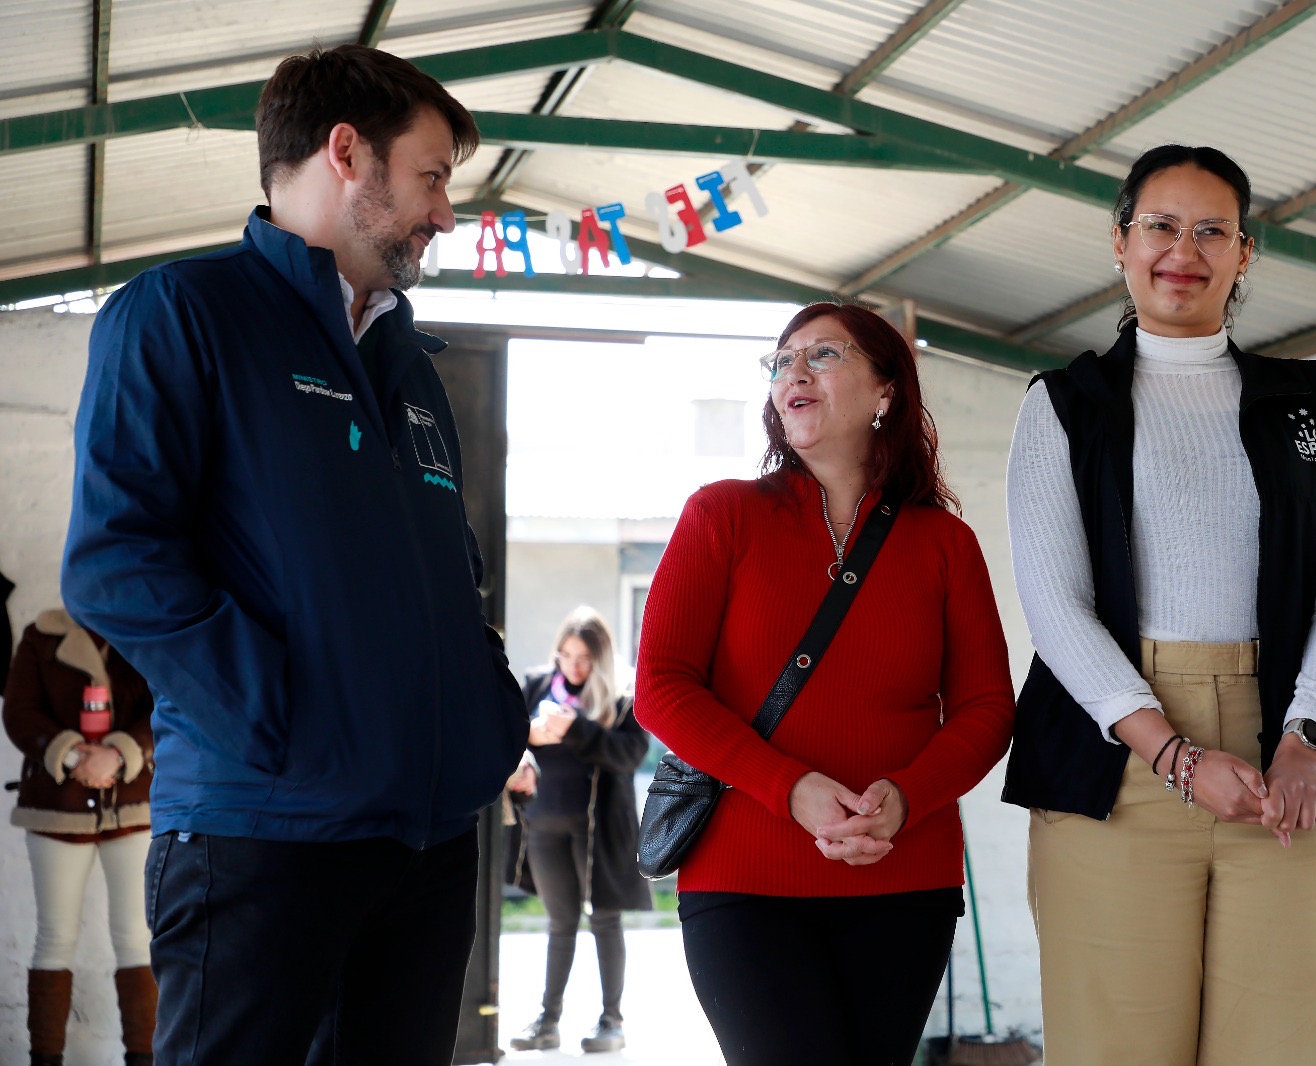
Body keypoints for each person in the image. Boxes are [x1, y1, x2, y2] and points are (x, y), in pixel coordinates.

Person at [60, 44, 528, 1065]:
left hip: (430, 837)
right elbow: (115, 562)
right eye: (434, 176)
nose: (446, 213)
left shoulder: (409, 358)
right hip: (264, 831)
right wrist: (280, 721)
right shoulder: (183, 314)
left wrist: (484, 718)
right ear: (347, 153)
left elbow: (455, 578)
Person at [1002, 143, 1316, 1065]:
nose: (1186, 249)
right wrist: (1173, 755)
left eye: (1213, 230)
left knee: (1290, 1043)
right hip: (1116, 752)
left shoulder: (1312, 404)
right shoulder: (1063, 405)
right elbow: (1055, 607)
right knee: (1116, 1046)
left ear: (1245, 253)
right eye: (1161, 226)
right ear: (1122, 244)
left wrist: (1306, 743)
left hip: (1289, 755)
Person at [634, 302, 1016, 1066]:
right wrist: (791, 786)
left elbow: (985, 709)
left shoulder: (946, 543)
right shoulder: (722, 515)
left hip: (905, 877)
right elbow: (662, 686)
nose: (793, 374)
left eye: (823, 355)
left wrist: (903, 801)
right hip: (744, 878)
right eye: (781, 362)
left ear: (885, 392)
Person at [5, 608, 157, 1066]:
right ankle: (46, 1059)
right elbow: (19, 712)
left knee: (135, 936)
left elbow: (167, 704)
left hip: (131, 803)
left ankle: (143, 1058)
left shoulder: (144, 625)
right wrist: (73, 756)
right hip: (57, 809)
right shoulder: (41, 635)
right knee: (55, 935)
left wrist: (118, 754)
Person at [504, 607, 651, 1054]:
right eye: (566, 655)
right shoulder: (534, 686)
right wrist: (526, 746)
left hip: (599, 829)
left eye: (584, 657)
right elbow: (507, 742)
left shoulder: (622, 698)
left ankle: (612, 1022)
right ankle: (547, 1021)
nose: (573, 666)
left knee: (605, 919)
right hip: (543, 824)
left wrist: (579, 729)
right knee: (559, 922)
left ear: (601, 658)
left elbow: (630, 755)